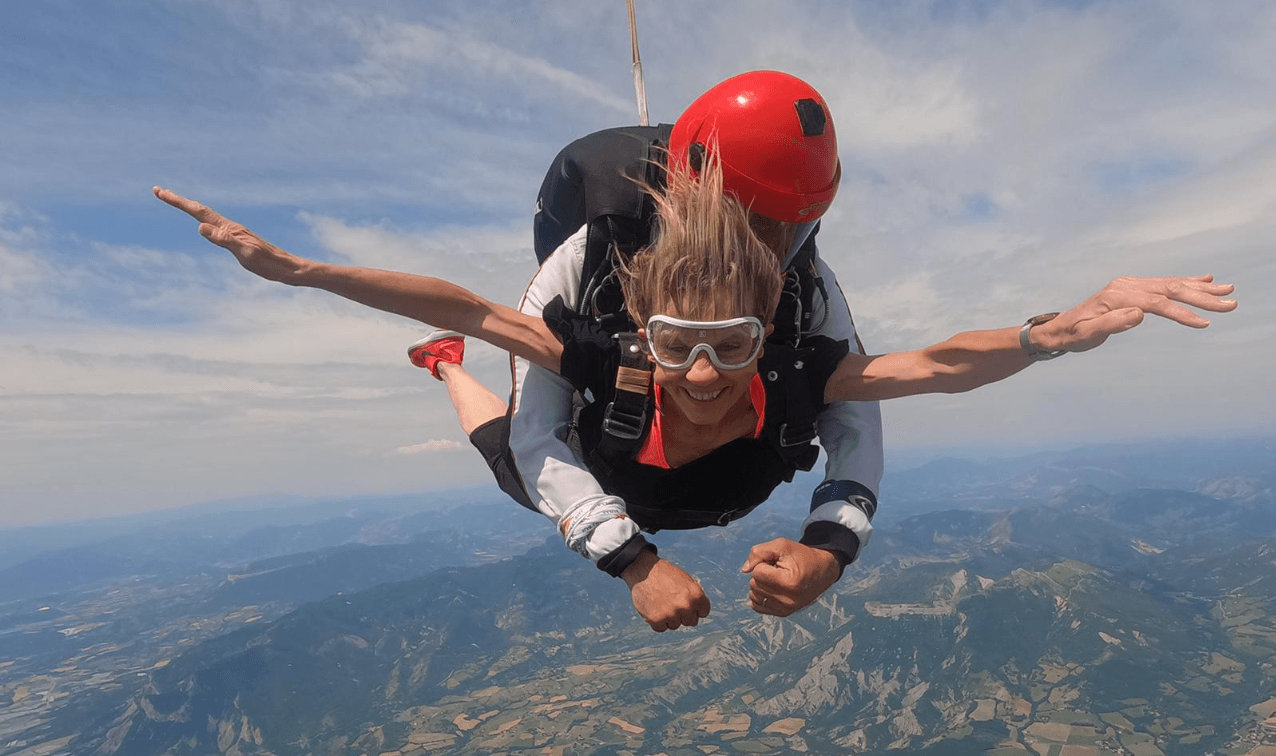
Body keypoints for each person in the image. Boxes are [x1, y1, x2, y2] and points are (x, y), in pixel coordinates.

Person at [154, 150, 1237, 632]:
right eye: (678, 342)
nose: (708, 370)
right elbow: (464, 307)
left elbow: (932, 369)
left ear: (766, 328)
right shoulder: (605, 363)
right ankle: (445, 389)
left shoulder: (794, 366)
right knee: (502, 454)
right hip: (622, 485)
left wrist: (1051, 332)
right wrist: (301, 271)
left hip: (722, 487)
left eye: (730, 340)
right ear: (645, 333)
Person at [419, 71, 888, 633]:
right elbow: (535, 430)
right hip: (616, 463)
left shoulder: (805, 280)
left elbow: (857, 404)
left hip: (743, 468)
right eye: (756, 222)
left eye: (798, 224)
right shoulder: (583, 261)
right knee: (512, 461)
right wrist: (632, 562)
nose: (775, 250)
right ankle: (445, 362)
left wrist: (831, 547)